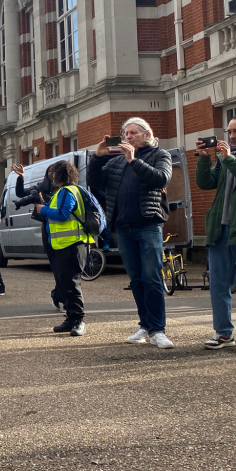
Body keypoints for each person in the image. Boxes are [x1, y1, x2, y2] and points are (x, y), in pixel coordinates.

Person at [88, 117, 174, 349]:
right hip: (123, 227)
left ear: (147, 134)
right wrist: (97, 157)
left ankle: (158, 330)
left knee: (152, 277)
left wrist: (133, 160)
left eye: (133, 133)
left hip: (148, 225)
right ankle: (145, 325)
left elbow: (161, 179)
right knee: (136, 279)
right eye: (125, 134)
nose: (127, 137)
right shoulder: (116, 162)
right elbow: (94, 182)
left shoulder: (159, 155)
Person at [195, 115, 236, 350]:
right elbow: (207, 183)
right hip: (220, 228)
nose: (232, 136)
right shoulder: (225, 157)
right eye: (229, 131)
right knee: (218, 284)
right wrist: (203, 160)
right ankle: (224, 334)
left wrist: (229, 159)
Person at [34, 161, 91, 336]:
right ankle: (71, 318)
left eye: (53, 173)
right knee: (65, 284)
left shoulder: (67, 191)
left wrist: (42, 209)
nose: (51, 177)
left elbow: (62, 215)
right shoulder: (66, 191)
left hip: (72, 244)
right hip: (65, 244)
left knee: (72, 284)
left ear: (59, 175)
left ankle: (78, 320)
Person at [13, 163, 61, 310]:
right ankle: (59, 294)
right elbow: (21, 193)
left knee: (66, 269)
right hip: (49, 231)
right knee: (57, 267)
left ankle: (60, 294)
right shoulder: (41, 188)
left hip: (67, 232)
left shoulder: (67, 190)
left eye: (56, 172)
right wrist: (21, 178)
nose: (53, 175)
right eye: (51, 171)